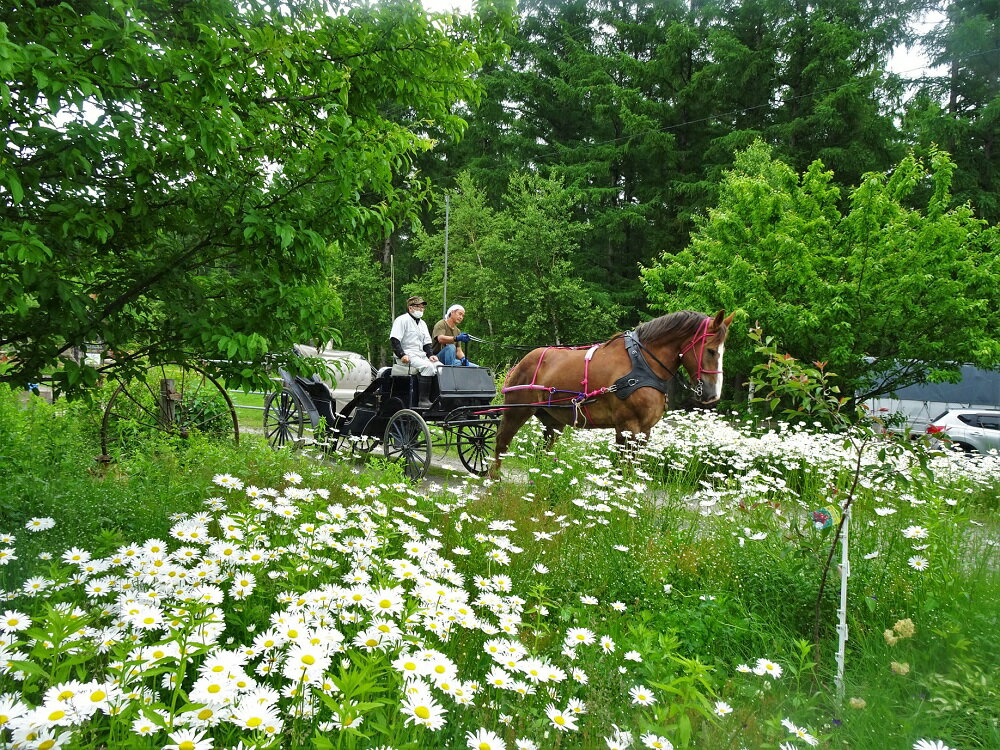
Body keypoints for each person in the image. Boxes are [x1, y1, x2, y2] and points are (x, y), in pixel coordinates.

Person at [389, 295, 441, 408]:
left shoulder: (423, 324)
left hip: (420, 355)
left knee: (440, 367)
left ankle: (438, 399)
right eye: (418, 306)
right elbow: (395, 340)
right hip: (407, 355)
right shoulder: (401, 320)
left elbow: (427, 343)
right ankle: (423, 400)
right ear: (410, 308)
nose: (421, 309)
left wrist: (431, 355)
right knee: (427, 367)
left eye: (422, 307)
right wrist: (402, 355)